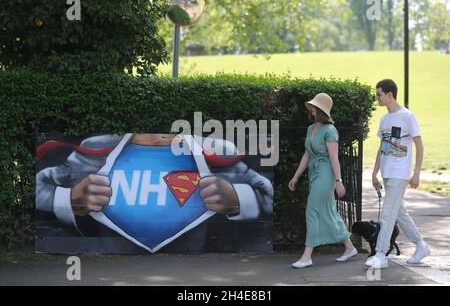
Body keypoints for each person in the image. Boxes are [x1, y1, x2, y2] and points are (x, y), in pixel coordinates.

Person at [36, 133, 273, 253]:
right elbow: (39, 187)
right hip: (112, 259)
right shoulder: (95, 148)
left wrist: (238, 199)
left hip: (192, 261)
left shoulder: (218, 150)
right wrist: (68, 199)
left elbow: (266, 193)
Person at [366, 79, 431, 269]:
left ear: (389, 94)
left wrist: (417, 172)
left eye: (378, 94)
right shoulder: (384, 119)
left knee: (387, 214)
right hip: (387, 172)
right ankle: (421, 245)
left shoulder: (408, 116)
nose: (376, 98)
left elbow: (419, 145)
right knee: (400, 213)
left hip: (400, 173)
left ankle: (380, 253)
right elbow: (382, 146)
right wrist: (375, 172)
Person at [288, 93, 357, 268]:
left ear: (320, 109)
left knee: (312, 209)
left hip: (326, 175)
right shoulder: (311, 129)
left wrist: (338, 181)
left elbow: (334, 158)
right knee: (329, 212)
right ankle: (349, 247)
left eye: (313, 107)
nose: (310, 109)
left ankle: (307, 256)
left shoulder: (330, 130)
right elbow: (307, 154)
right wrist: (296, 175)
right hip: (314, 173)